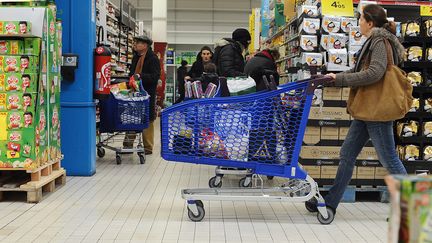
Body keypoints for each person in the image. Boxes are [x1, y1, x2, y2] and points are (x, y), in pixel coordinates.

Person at [306, 4, 408, 218]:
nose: (358, 22)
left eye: (361, 19)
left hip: (377, 109)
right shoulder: (373, 40)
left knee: (389, 158)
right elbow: (361, 70)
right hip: (367, 109)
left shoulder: (379, 41)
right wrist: (335, 77)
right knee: (347, 154)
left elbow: (374, 73)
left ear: (370, 22)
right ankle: (330, 203)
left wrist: (341, 79)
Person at [123, 35, 161, 155]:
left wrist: (141, 76)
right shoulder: (136, 57)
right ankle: (128, 145)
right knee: (131, 116)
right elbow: (132, 72)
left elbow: (155, 77)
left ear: (145, 45)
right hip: (134, 92)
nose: (135, 45)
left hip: (147, 93)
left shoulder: (152, 58)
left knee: (148, 119)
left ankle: (148, 148)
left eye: (137, 43)